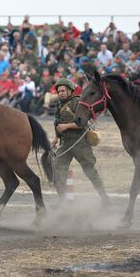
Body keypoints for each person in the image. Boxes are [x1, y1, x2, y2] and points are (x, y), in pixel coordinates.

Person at [51, 78, 110, 207]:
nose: (60, 93)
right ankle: (62, 200)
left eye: (63, 91)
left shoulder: (77, 102)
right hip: (65, 143)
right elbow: (57, 123)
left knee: (90, 170)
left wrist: (66, 126)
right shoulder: (59, 104)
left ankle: (104, 197)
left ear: (70, 91)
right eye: (59, 91)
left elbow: (83, 123)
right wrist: (56, 138)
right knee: (58, 171)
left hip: (80, 143)